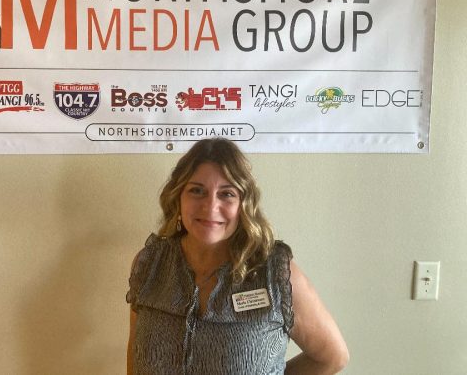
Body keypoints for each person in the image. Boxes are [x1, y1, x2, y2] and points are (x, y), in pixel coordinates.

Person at [126, 138, 349, 375]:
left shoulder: (275, 274)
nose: (210, 207)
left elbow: (332, 357)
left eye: (227, 194)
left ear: (244, 203)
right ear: (178, 197)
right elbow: (135, 357)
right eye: (197, 191)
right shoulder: (151, 264)